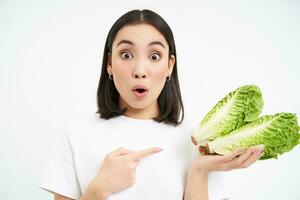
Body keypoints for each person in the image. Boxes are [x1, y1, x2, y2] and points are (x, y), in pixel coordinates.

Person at [38, 9, 264, 200]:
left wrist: (199, 171)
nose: (139, 71)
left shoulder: (197, 142)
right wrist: (99, 189)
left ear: (169, 66)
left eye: (154, 56)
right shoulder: (77, 135)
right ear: (109, 64)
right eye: (126, 55)